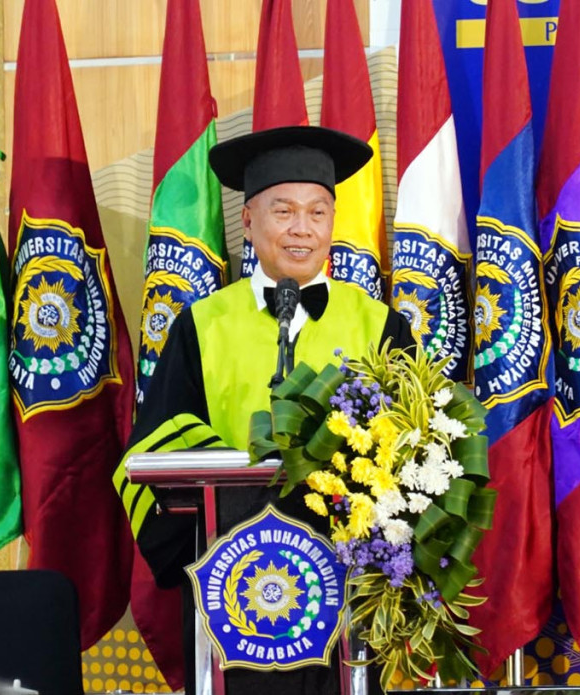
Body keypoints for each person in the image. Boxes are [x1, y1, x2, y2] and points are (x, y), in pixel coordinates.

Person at [122, 125, 416, 695]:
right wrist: (226, 508)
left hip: (345, 599)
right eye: (283, 211)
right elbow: (149, 451)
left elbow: (417, 454)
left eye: (317, 212)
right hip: (231, 600)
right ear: (249, 222)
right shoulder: (201, 327)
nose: (302, 229)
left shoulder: (380, 325)